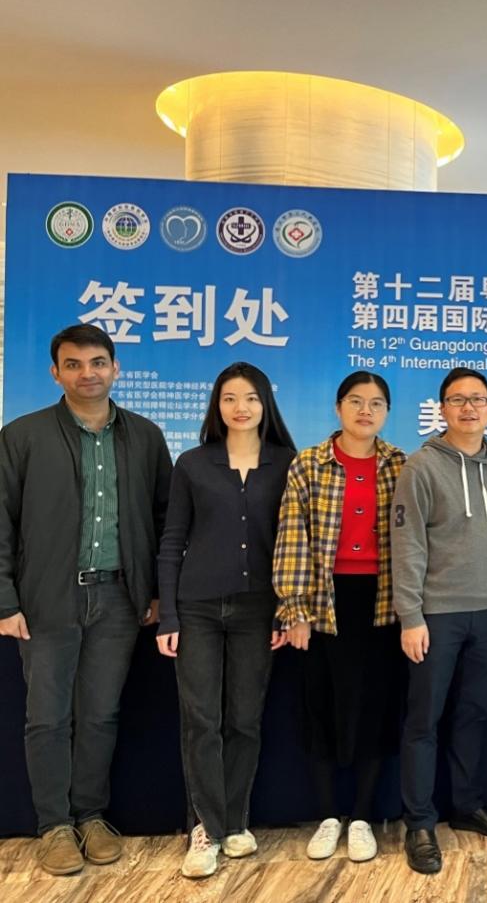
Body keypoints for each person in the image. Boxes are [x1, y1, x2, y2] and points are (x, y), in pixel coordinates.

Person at [0, 324, 171, 876]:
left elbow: (165, 521)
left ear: (116, 368)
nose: (87, 373)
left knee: (100, 714)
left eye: (98, 362)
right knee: (48, 717)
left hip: (119, 598)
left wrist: (156, 591)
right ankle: (53, 825)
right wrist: (5, 600)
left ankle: (91, 815)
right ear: (56, 373)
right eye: (73, 364)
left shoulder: (146, 436)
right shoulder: (21, 435)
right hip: (47, 598)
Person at [156, 362, 296, 878]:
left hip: (258, 610)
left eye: (252, 398)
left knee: (244, 719)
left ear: (265, 405)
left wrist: (287, 609)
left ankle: (235, 822)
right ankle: (205, 828)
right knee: (202, 721)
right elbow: (172, 541)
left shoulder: (287, 463)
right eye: (230, 398)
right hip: (196, 608)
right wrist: (168, 614)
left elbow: (295, 544)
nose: (241, 407)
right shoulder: (193, 463)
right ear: (217, 405)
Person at [272, 372, 406, 864]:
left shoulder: (400, 464)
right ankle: (329, 816)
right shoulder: (309, 463)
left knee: (376, 707)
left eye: (376, 403)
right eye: (355, 401)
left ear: (387, 412)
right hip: (324, 602)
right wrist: (296, 609)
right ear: (338, 407)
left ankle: (364, 817)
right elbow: (292, 536)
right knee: (321, 706)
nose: (365, 411)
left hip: (383, 601)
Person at [392, 368, 487, 875]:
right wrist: (410, 616)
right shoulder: (420, 467)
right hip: (435, 616)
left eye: (478, 400)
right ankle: (420, 822)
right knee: (424, 720)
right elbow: (408, 545)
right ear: (441, 409)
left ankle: (467, 805)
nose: (469, 408)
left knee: (474, 714)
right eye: (458, 400)